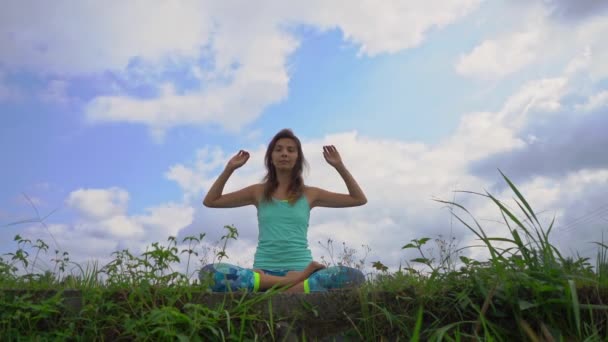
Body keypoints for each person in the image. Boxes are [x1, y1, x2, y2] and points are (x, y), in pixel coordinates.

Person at [199, 128, 367, 293]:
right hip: (267, 272)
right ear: (271, 158)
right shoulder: (257, 192)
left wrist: (339, 166)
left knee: (354, 276)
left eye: (290, 150)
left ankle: (268, 287)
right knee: (209, 273)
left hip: (299, 269)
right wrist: (230, 168)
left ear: (297, 158)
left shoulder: (310, 194)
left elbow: (358, 199)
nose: (284, 153)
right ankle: (293, 285)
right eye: (278, 150)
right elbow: (211, 201)